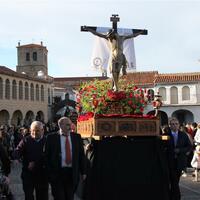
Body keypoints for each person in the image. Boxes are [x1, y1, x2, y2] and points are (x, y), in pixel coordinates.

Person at [84, 26, 144, 91]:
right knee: (113, 71)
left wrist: (140, 32)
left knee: (117, 72)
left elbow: (133, 35)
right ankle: (115, 86)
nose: (109, 37)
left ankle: (117, 83)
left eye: (110, 35)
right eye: (109, 36)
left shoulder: (122, 38)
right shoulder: (109, 38)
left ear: (113, 34)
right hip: (113, 57)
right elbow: (98, 34)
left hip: (120, 56)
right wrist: (88, 29)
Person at [44, 117, 87, 200]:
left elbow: (81, 155)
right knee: (59, 197)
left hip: (72, 173)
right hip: (57, 174)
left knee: (70, 197)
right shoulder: (51, 138)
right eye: (67, 125)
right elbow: (46, 156)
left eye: (70, 124)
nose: (70, 127)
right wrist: (50, 173)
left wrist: (83, 171)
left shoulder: (76, 137)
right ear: (60, 125)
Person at [13, 121, 48, 200]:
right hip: (28, 174)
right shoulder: (26, 140)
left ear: (43, 130)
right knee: (28, 196)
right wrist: (16, 158)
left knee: (42, 196)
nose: (35, 133)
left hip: (42, 175)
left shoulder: (47, 141)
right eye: (32, 131)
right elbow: (17, 150)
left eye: (37, 131)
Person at [168, 118, 192, 200]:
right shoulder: (166, 135)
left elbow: (189, 147)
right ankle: (176, 197)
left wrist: (180, 150)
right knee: (173, 180)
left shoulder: (183, 135)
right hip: (169, 161)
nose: (175, 125)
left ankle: (172, 196)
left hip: (180, 162)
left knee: (175, 180)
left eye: (176, 124)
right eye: (173, 124)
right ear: (170, 125)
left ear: (179, 125)